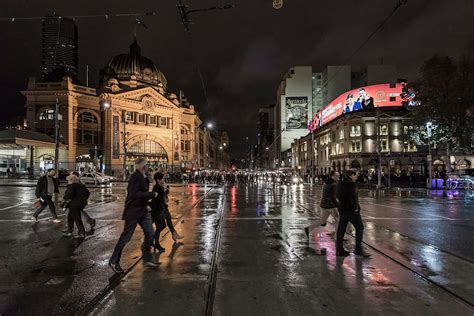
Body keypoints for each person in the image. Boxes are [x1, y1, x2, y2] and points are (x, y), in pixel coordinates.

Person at [109, 158, 159, 273]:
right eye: (146, 165)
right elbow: (134, 193)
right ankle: (114, 260)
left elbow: (141, 193)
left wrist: (147, 204)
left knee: (150, 233)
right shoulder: (135, 177)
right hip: (133, 211)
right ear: (142, 166)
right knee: (126, 237)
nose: (148, 167)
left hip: (142, 210)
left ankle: (147, 259)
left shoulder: (143, 176)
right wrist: (152, 194)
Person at [336, 169, 370, 257]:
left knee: (341, 229)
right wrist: (355, 208)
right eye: (356, 175)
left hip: (342, 209)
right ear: (351, 175)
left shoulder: (339, 184)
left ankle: (339, 249)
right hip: (351, 210)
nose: (357, 176)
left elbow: (338, 196)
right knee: (360, 227)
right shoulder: (351, 185)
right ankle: (358, 249)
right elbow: (352, 198)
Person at [150, 172, 184, 252]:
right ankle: (155, 243)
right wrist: (164, 197)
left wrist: (165, 192)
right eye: (162, 179)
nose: (163, 180)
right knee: (160, 226)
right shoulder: (157, 188)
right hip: (158, 210)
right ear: (158, 180)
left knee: (163, 225)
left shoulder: (159, 187)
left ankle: (152, 239)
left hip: (160, 209)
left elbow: (162, 198)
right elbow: (158, 198)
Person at [304, 170, 340, 239]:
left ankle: (308, 229)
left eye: (338, 175)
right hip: (330, 206)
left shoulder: (326, 182)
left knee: (323, 221)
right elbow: (333, 196)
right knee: (338, 220)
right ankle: (338, 236)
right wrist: (337, 205)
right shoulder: (333, 184)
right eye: (336, 175)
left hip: (324, 204)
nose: (338, 176)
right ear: (332, 176)